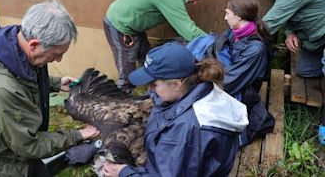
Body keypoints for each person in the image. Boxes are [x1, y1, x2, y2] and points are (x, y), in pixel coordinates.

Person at [0, 0, 100, 177]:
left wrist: (54, 83)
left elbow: (22, 75)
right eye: (55, 54)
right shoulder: (0, 90)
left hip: (12, 152)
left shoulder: (11, 43)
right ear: (34, 45)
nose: (58, 60)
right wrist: (78, 135)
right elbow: (29, 145)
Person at [102, 42, 248, 176]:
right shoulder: (198, 87)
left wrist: (124, 173)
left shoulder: (186, 130)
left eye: (153, 84)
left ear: (176, 84)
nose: (149, 89)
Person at [104, 0, 214, 92]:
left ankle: (151, 96)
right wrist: (214, 42)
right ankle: (121, 104)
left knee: (150, 62)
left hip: (134, 26)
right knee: (127, 74)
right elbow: (189, 31)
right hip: (120, 25)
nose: (194, 3)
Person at [186, 0, 275, 146]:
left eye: (227, 13)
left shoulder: (255, 49)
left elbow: (229, 82)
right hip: (224, 75)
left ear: (239, 16)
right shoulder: (234, 32)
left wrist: (198, 80)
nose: (225, 18)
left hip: (241, 88)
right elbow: (216, 48)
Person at [254, 0, 325, 78]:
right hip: (317, 37)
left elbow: (270, 22)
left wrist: (237, 37)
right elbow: (293, 10)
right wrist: (290, 32)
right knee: (305, 70)